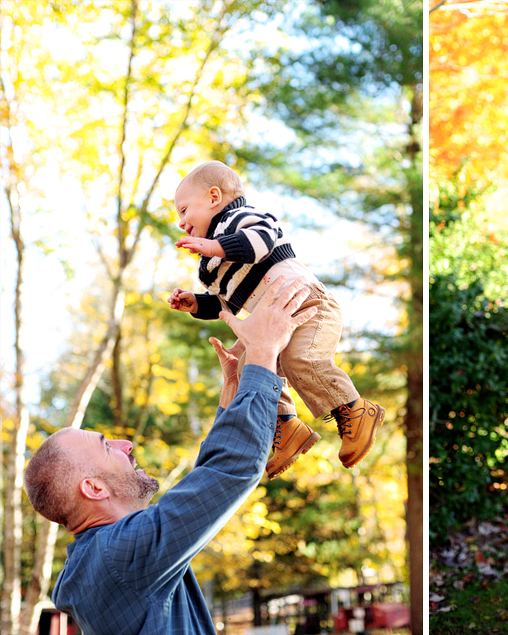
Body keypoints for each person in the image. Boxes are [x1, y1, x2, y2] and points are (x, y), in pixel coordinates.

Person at [24, 277, 315, 635]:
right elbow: (230, 470)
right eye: (105, 445)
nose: (125, 445)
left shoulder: (104, 560)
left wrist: (231, 395)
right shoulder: (119, 557)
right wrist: (264, 351)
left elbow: (200, 493)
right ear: (94, 488)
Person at [167, 161, 384, 476]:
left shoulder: (241, 219)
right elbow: (226, 303)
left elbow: (261, 242)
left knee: (301, 360)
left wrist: (214, 245)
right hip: (273, 326)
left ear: (214, 197)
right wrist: (196, 303)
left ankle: (353, 408)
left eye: (185, 210)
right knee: (249, 370)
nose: (181, 222)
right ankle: (287, 428)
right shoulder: (213, 264)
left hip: (307, 304)